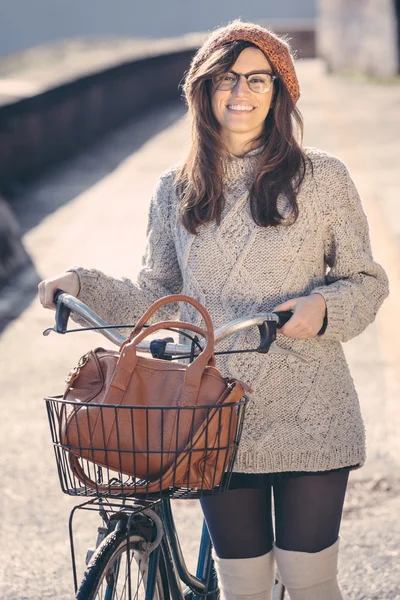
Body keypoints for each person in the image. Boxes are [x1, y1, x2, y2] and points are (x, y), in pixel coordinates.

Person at [39, 20, 389, 600]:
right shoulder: (174, 189)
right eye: (225, 78)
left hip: (312, 404)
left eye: (257, 79)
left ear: (279, 93)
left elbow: (366, 283)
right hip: (215, 412)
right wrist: (85, 282)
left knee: (309, 581)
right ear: (202, 91)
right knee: (242, 585)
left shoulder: (323, 177)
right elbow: (157, 299)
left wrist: (323, 307)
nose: (240, 92)